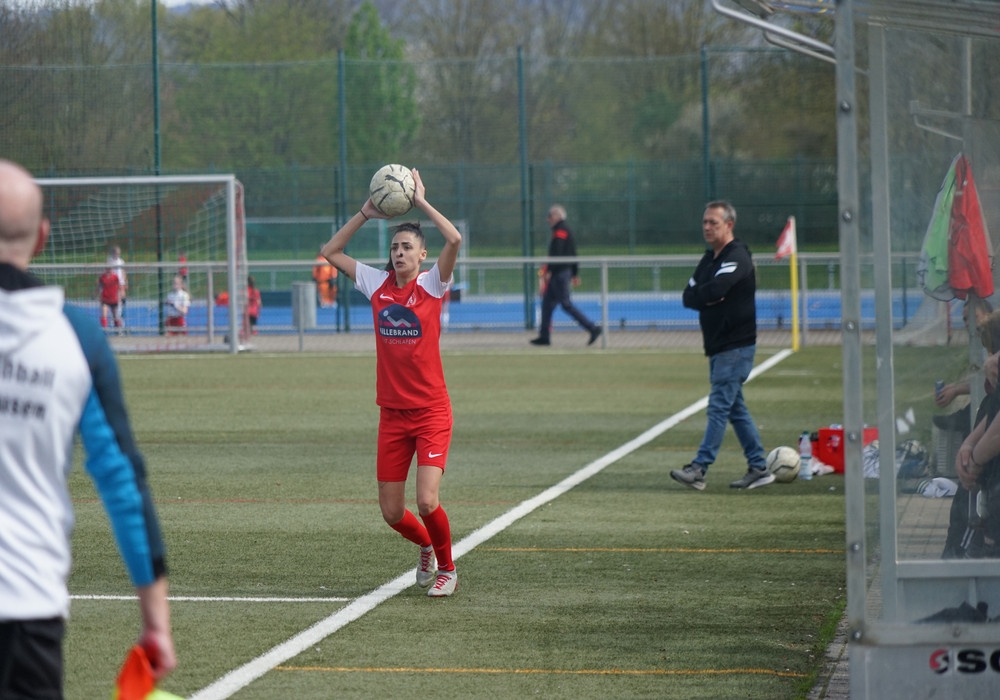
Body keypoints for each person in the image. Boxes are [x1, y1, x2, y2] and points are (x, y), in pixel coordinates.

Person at [0, 159, 176, 696]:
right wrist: (155, 622)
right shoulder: (76, 338)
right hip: (26, 607)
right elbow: (124, 483)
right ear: (44, 237)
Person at [320, 168, 461, 597]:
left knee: (427, 501)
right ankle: (424, 546)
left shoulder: (433, 285)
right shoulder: (377, 284)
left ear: (422, 256)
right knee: (391, 511)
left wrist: (419, 202)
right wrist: (367, 211)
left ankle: (449, 569)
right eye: (396, 247)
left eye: (408, 248)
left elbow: (454, 240)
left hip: (431, 411)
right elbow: (331, 251)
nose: (400, 253)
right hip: (392, 416)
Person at [670, 200, 772, 491]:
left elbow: (716, 289)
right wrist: (708, 295)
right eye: (705, 222)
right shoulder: (710, 259)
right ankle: (759, 467)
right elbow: (688, 297)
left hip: (735, 347)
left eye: (713, 222)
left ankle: (699, 468)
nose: (707, 227)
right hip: (718, 347)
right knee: (734, 409)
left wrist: (708, 294)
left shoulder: (736, 256)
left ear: (729, 225)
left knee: (718, 407)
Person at [530, 205, 601, 347]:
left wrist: (548, 270)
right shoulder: (563, 230)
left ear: (557, 216)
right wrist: (574, 273)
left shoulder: (560, 231)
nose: (548, 219)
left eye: (550, 216)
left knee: (566, 304)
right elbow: (573, 253)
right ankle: (544, 336)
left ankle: (593, 328)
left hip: (560, 273)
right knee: (547, 304)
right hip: (561, 272)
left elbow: (557, 253)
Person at [933, 296, 994, 437]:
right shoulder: (981, 344)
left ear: (989, 316)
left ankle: (963, 422)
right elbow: (983, 382)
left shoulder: (994, 343)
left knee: (982, 410)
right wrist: (954, 388)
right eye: (965, 319)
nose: (968, 323)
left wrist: (957, 390)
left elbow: (991, 384)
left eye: (974, 317)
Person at [98, 264, 124, 330]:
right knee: (104, 315)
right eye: (107, 269)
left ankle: (118, 329)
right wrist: (98, 296)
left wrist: (120, 297)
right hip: (105, 299)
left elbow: (119, 287)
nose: (109, 270)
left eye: (110, 269)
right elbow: (99, 287)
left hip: (113, 299)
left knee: (115, 316)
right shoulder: (102, 277)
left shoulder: (115, 277)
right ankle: (105, 330)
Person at [107, 244, 128, 325]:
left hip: (120, 283)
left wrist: (125, 281)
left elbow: (123, 272)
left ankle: (120, 317)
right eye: (116, 253)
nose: (117, 255)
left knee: (122, 299)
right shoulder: (109, 261)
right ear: (112, 253)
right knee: (114, 301)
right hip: (113, 284)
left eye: (118, 253)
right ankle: (115, 318)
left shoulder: (121, 261)